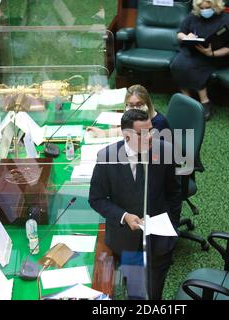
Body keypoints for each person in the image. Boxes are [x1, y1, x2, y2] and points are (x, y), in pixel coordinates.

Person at [88, 109, 182, 299]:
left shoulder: (165, 151)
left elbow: (174, 192)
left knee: (154, 293)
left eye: (151, 131)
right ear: (127, 135)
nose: (149, 137)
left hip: (159, 237)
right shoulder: (106, 157)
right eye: (141, 133)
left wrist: (173, 224)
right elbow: (96, 199)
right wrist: (123, 216)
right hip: (126, 239)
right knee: (135, 291)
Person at [170, 0, 229, 121]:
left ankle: (205, 102)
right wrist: (185, 37)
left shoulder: (225, 20)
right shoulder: (193, 16)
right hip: (191, 51)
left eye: (208, 7)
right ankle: (188, 100)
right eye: (202, 8)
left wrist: (211, 53)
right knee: (177, 64)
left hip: (212, 56)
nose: (205, 10)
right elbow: (179, 33)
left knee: (193, 67)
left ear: (215, 6)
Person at [86, 84, 170, 138]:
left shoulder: (159, 124)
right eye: (131, 105)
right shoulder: (140, 119)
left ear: (147, 103)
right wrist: (103, 133)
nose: (135, 108)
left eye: (139, 104)